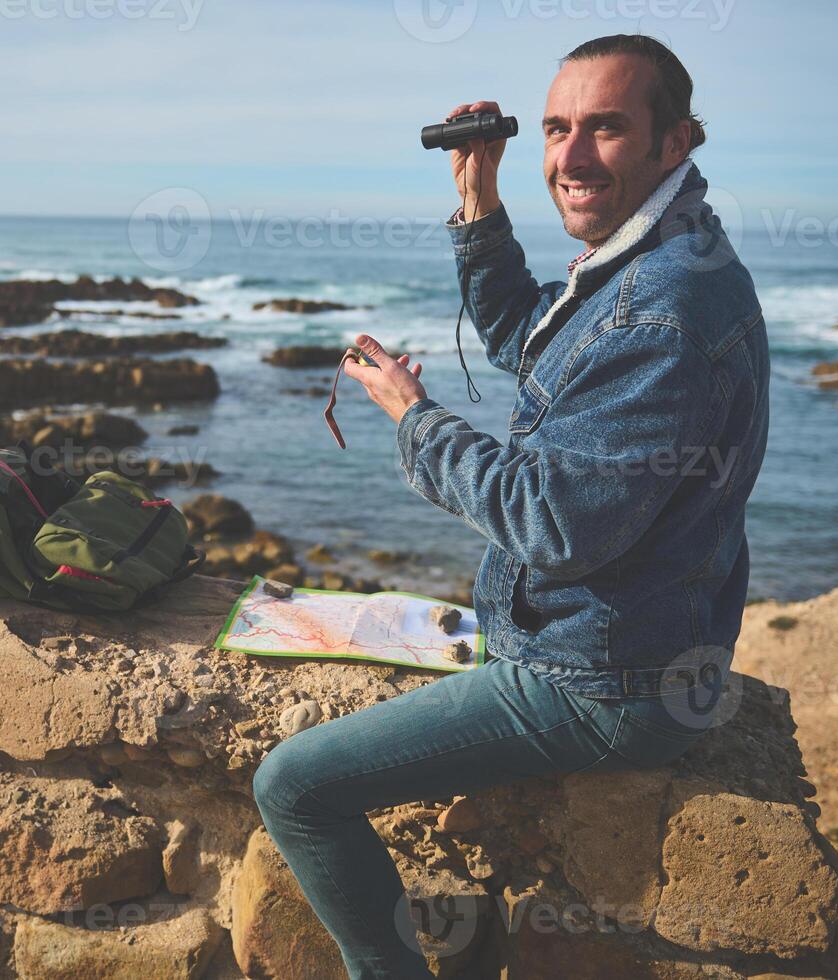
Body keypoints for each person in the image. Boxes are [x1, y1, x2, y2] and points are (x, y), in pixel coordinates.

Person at [252, 34, 769, 979]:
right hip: (617, 643)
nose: (569, 159)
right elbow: (530, 338)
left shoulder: (660, 309)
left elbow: (553, 526)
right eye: (557, 129)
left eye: (606, 129)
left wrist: (415, 421)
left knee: (293, 784)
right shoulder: (653, 257)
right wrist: (476, 196)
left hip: (605, 682)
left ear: (677, 140)